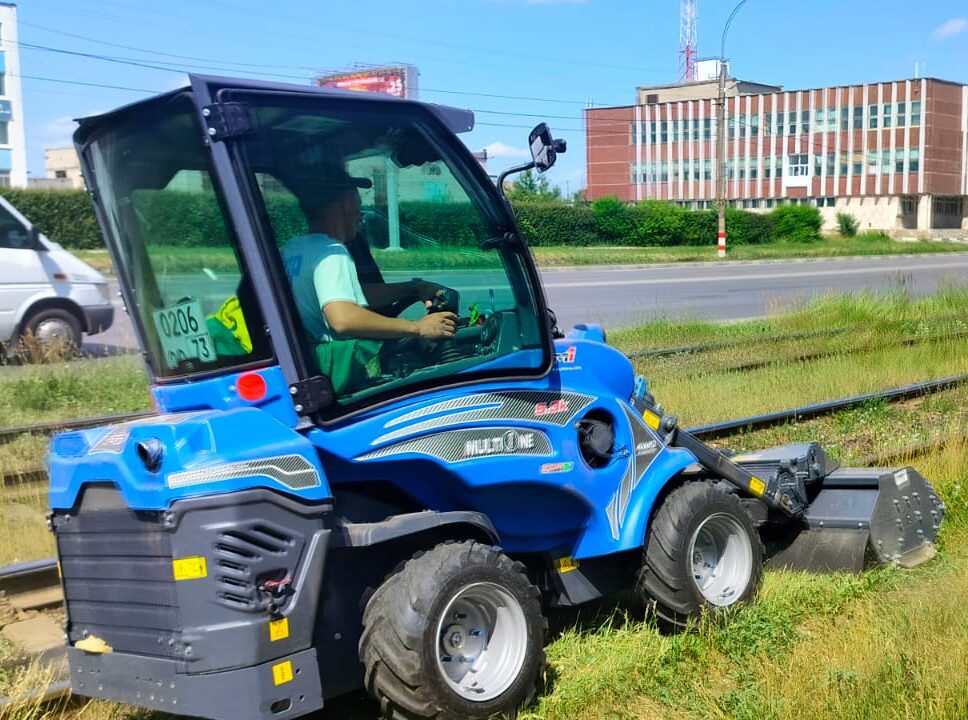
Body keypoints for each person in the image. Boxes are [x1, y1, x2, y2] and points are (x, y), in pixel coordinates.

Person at [281, 169, 457, 394]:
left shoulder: (294, 250)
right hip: (330, 378)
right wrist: (418, 328)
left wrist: (413, 287)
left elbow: (343, 295)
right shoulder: (332, 253)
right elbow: (343, 319)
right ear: (340, 208)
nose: (359, 215)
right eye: (356, 206)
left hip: (307, 366)